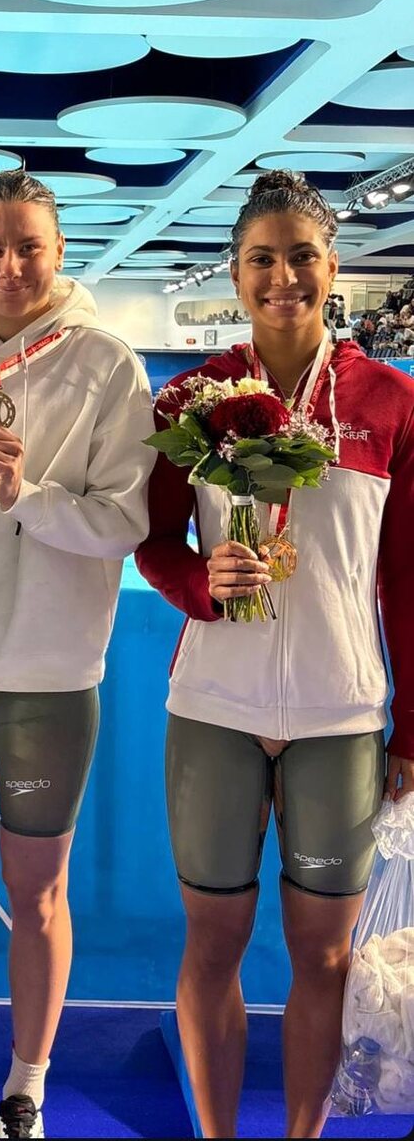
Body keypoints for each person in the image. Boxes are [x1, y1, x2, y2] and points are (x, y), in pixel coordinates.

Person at [136, 169, 414, 1139]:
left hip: (341, 714)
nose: (282, 276)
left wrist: (410, 730)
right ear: (236, 272)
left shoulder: (389, 400)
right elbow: (154, 541)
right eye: (262, 259)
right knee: (212, 946)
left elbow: (405, 579)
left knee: (322, 955)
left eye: (302, 257)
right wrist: (199, 583)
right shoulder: (191, 396)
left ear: (333, 268)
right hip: (215, 703)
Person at [0, 169, 153, 1140]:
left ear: (59, 252)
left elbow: (124, 522)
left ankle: (27, 1086)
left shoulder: (108, 366)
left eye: (28, 247)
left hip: (50, 668)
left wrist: (27, 499)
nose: (9, 266)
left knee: (38, 892)